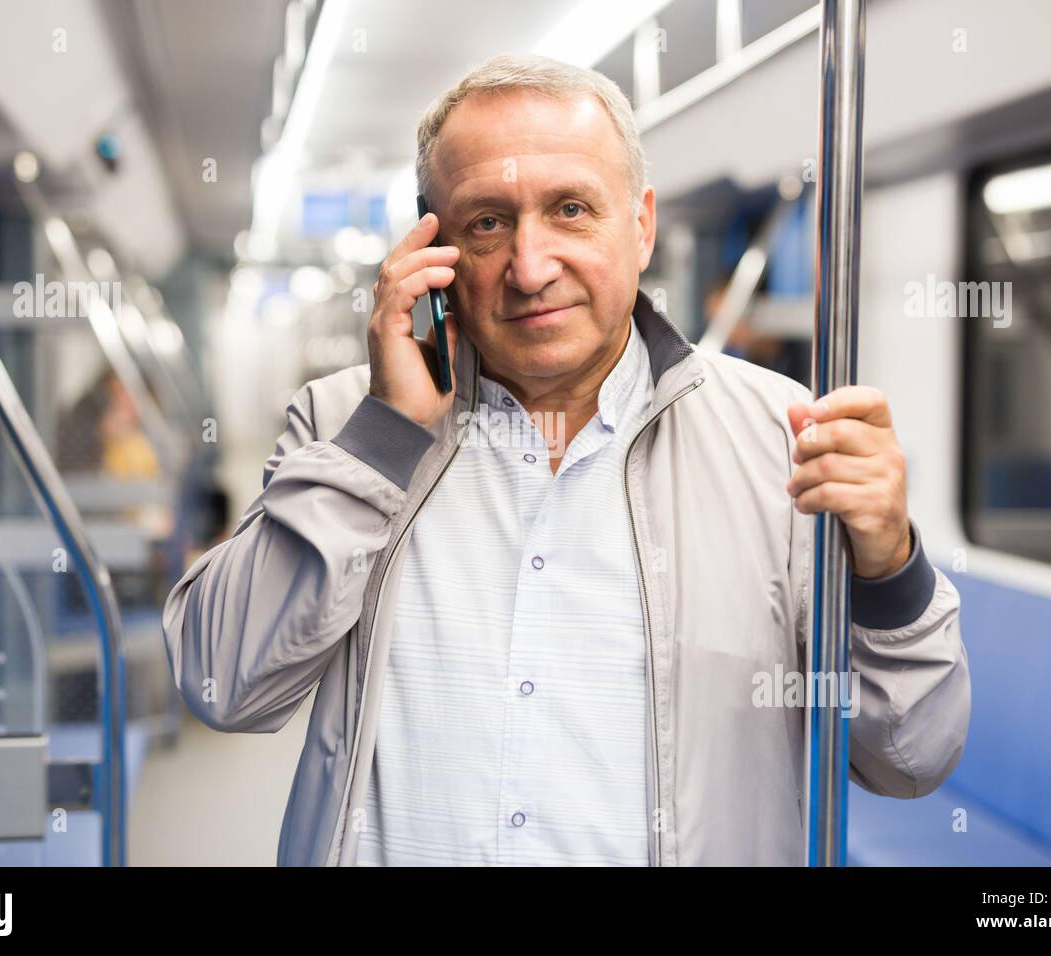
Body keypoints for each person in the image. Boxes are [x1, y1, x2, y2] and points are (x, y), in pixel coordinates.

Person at [161, 53, 970, 866]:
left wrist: (888, 567)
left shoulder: (780, 441)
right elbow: (222, 684)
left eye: (572, 210)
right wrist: (384, 439)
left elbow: (909, 757)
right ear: (430, 244)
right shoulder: (345, 426)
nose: (531, 267)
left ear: (642, 225)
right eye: (487, 222)